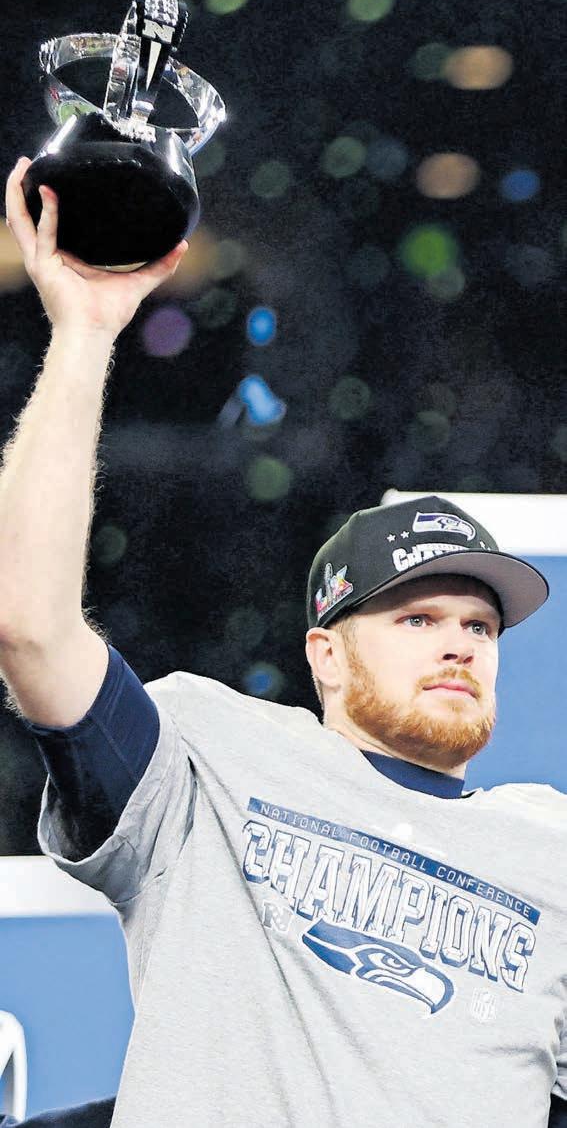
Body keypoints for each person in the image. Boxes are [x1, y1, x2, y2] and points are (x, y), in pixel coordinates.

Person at [2, 157, 567, 1128]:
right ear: (325, 656)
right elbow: (31, 627)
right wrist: (84, 334)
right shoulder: (207, 761)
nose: (460, 645)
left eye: (479, 624)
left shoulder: (549, 847)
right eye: (416, 618)